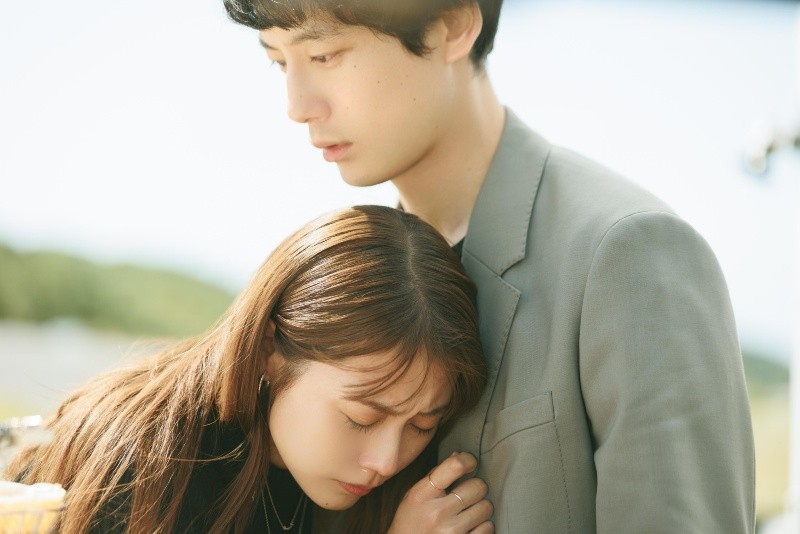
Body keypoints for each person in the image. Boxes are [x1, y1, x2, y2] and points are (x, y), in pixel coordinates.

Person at [222, 0, 756, 532]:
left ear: (452, 25)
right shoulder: (358, 275)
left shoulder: (629, 251)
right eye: (278, 61)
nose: (297, 106)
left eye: (324, 55)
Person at [4, 206, 494, 534]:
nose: (386, 461)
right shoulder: (141, 468)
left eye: (421, 426)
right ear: (268, 350)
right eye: (361, 419)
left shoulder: (364, 484)